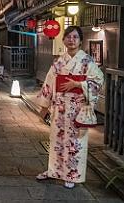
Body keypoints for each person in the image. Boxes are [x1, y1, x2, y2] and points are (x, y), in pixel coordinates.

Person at [36, 26, 104, 188]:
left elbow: (99, 80)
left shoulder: (87, 61)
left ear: (80, 41)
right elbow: (49, 83)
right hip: (59, 108)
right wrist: (44, 107)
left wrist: (78, 83)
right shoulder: (59, 61)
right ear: (64, 40)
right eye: (68, 37)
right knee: (57, 141)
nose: (71, 40)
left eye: (75, 37)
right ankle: (53, 171)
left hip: (78, 109)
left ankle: (72, 175)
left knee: (76, 143)